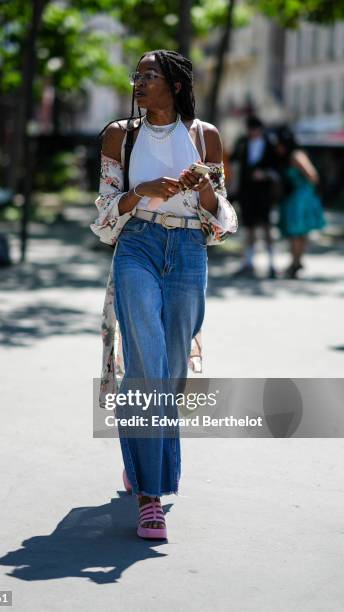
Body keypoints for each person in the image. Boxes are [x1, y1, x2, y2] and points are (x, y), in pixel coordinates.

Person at [90, 49, 238, 540]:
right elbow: (106, 214)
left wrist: (204, 188)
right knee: (145, 364)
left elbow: (219, 222)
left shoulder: (205, 137)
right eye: (137, 74)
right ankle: (150, 496)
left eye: (150, 74)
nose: (139, 81)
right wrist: (142, 191)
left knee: (171, 373)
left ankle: (143, 456)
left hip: (189, 250)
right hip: (137, 246)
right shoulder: (119, 134)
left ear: (175, 84)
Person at [274, 126, 326, 278]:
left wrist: (300, 190)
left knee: (297, 232)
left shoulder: (296, 155)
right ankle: (296, 262)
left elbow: (312, 175)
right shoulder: (288, 157)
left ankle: (295, 263)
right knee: (298, 233)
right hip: (295, 198)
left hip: (300, 198)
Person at [231, 116, 278, 278]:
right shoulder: (243, 143)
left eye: (255, 129)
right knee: (248, 227)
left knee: (266, 227)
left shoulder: (270, 145)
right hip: (246, 192)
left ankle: (272, 264)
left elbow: (277, 169)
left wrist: (264, 174)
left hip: (264, 193)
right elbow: (234, 162)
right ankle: (248, 263)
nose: (252, 132)